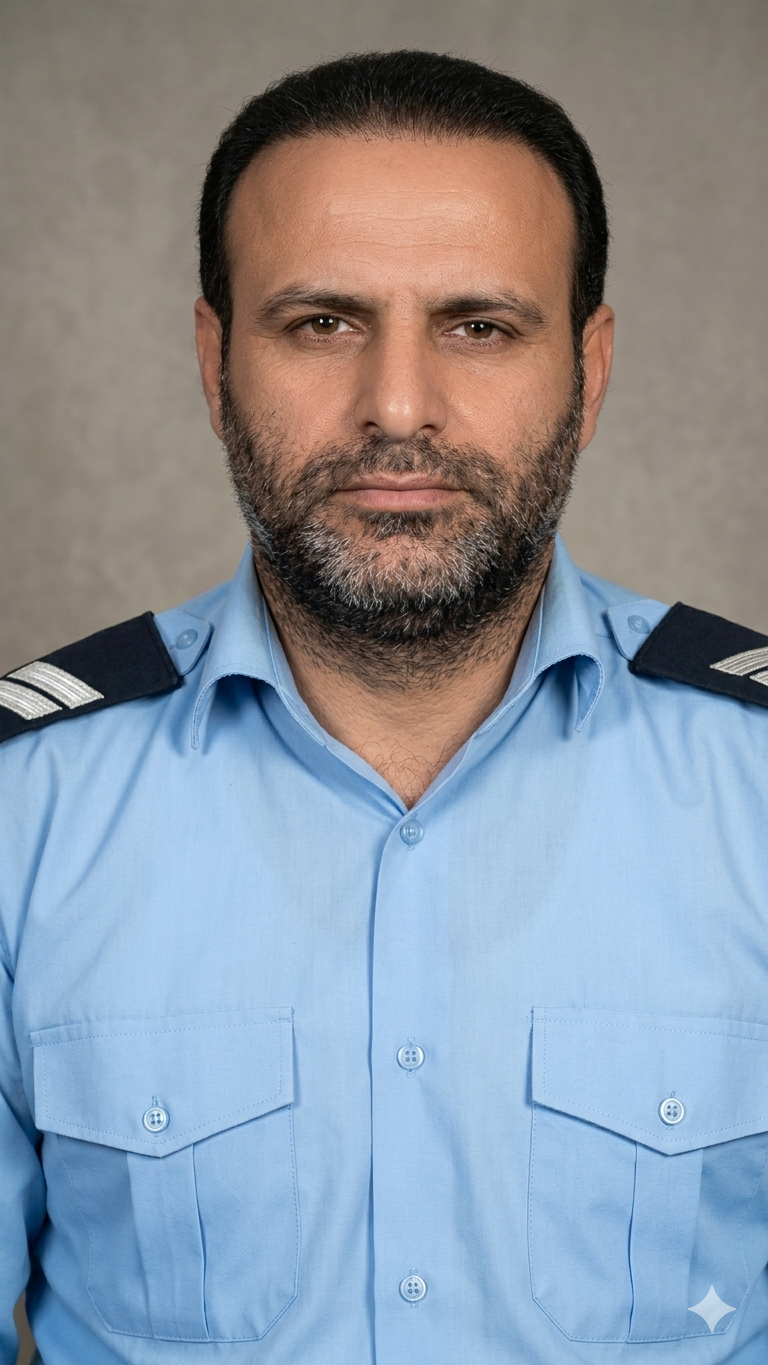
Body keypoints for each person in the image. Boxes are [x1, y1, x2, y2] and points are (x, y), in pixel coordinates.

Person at [2, 49, 768, 1365]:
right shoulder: (23, 807)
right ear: (215, 363)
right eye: (322, 323)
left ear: (589, 372)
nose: (398, 408)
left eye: (480, 327)